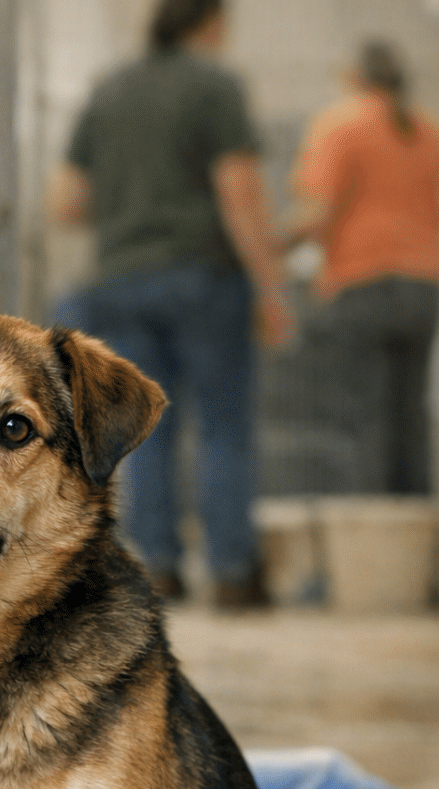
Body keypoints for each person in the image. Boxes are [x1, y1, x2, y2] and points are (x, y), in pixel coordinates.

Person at [47, 0, 292, 607]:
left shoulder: (109, 91)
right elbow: (240, 194)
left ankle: (157, 566)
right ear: (210, 24)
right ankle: (233, 572)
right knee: (224, 428)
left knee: (148, 429)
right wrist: (272, 287)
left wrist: (135, 209)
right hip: (204, 279)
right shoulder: (215, 85)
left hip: (121, 281)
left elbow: (66, 203)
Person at [283, 41, 439, 495]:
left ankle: (371, 541)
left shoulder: (341, 124)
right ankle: (415, 543)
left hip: (363, 286)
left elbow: (314, 215)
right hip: (426, 287)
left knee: (364, 419)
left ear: (355, 77)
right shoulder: (428, 133)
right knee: (411, 418)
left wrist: (267, 249)